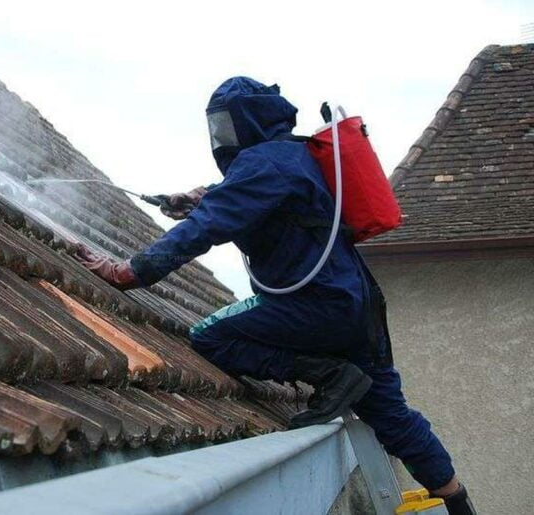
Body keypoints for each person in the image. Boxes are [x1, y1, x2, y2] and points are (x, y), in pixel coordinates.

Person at [75, 77, 475, 514]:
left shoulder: (263, 163)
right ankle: (457, 500)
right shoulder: (294, 156)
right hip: (358, 308)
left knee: (211, 336)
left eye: (226, 126)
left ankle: (330, 375)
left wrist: (129, 272)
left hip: (315, 305)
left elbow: (208, 226)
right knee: (392, 414)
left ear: (248, 121)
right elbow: (249, 202)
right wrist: (202, 196)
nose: (222, 138)